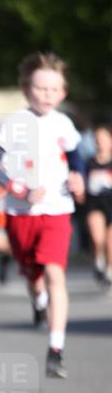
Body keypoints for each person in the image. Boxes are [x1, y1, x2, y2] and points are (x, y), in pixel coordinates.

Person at [0, 52, 86, 378]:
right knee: (33, 275)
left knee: (55, 273)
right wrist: (19, 189)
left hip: (57, 209)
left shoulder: (64, 124)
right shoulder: (12, 124)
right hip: (21, 212)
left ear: (63, 93)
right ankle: (38, 301)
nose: (47, 95)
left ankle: (56, 349)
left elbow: (76, 160)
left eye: (54, 90)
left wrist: (78, 178)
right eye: (40, 89)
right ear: (27, 89)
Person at [84, 123, 112, 288]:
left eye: (104, 139)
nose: (100, 142)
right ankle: (97, 258)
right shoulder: (89, 163)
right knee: (97, 238)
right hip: (95, 204)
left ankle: (109, 270)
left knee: (110, 242)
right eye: (97, 139)